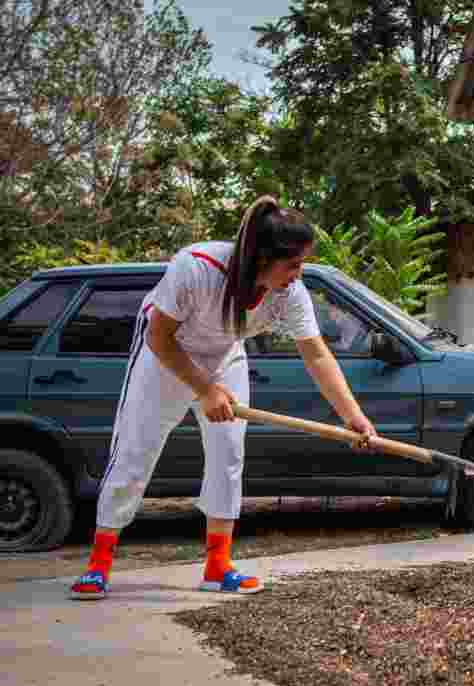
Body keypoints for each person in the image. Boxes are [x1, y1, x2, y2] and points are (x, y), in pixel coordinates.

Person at [70, 196, 378, 599]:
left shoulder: (289, 292)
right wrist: (204, 390)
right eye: (292, 264)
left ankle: (218, 567)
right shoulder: (196, 267)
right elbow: (158, 337)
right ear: (262, 258)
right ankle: (98, 565)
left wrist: (351, 415)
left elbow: (316, 353)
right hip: (165, 356)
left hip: (225, 356)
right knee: (134, 452)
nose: (297, 274)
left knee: (228, 456)